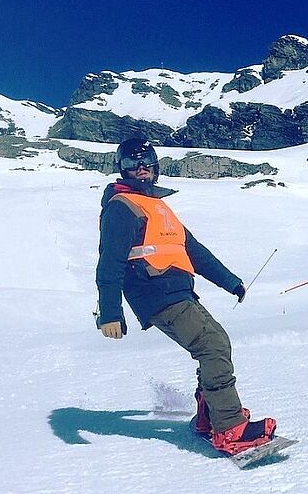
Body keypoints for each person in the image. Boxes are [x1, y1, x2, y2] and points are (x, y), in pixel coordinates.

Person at [95, 138, 277, 456]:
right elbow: (109, 263)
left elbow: (195, 252)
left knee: (217, 340)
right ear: (120, 169)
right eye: (131, 164)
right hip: (154, 291)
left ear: (156, 166)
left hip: (177, 291)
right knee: (212, 345)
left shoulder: (158, 207)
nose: (140, 169)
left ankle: (209, 417)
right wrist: (110, 312)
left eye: (146, 161)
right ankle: (229, 429)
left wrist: (230, 281)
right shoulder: (121, 208)